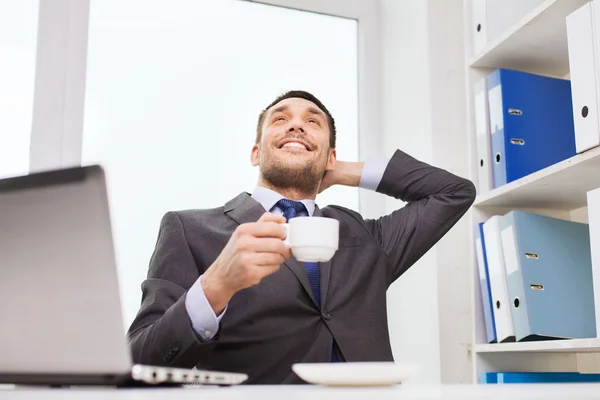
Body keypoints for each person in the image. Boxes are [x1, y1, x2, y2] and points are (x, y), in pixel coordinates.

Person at [127, 90, 476, 384]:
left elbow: (454, 193)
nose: (296, 124)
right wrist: (214, 287)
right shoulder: (190, 230)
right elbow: (138, 366)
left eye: (313, 122)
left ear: (331, 156)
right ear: (255, 153)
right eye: (280, 120)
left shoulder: (365, 236)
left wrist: (340, 171)